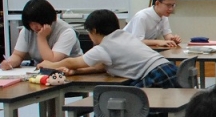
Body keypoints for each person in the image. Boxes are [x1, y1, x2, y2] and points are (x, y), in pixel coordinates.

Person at [1, 0, 83, 117]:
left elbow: (51, 60)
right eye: (30, 23)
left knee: (50, 85)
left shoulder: (66, 31)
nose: (34, 27)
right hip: (42, 74)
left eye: (36, 22)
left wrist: (41, 38)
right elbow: (18, 55)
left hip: (70, 74)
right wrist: (10, 62)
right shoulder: (27, 31)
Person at [40, 9, 178, 88]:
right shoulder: (124, 35)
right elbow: (102, 66)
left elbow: (73, 62)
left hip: (155, 77)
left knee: (123, 105)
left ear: (94, 31)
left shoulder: (104, 47)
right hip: (169, 70)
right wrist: (78, 71)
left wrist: (51, 65)